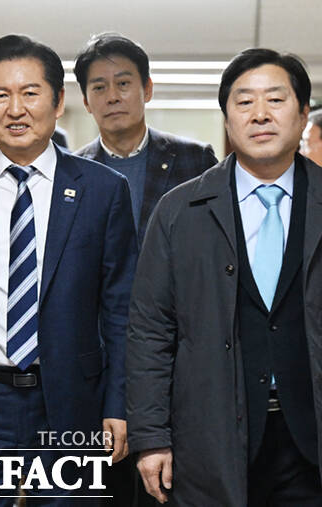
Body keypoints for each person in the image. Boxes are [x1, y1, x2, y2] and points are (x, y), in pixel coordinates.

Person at [0, 34, 138, 505]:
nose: (15, 109)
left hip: (70, 404)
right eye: (0, 95)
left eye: (30, 93)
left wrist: (119, 404)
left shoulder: (103, 190)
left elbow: (120, 309)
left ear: (58, 103)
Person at [126, 48, 322, 506]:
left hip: (310, 439)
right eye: (244, 102)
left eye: (276, 100)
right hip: (210, 435)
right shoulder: (179, 211)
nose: (260, 114)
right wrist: (151, 437)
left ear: (303, 114)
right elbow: (150, 330)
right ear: (228, 118)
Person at [74, 32, 218, 245]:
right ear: (86, 101)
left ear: (147, 89)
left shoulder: (195, 159)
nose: (112, 97)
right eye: (99, 88)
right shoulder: (73, 172)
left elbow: (217, 242)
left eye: (123, 83)